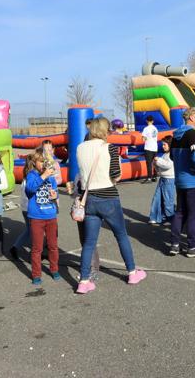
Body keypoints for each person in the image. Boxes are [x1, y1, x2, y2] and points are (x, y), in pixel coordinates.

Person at [75, 117, 146, 294]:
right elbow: (116, 175)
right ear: (105, 130)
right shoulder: (110, 148)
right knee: (121, 235)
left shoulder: (80, 148)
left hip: (89, 198)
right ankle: (131, 272)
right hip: (108, 196)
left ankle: (84, 281)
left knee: (89, 243)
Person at [169, 107, 195, 258]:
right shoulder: (192, 134)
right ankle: (192, 247)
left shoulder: (176, 135)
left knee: (180, 213)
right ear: (192, 117)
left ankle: (174, 244)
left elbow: (172, 156)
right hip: (193, 181)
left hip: (180, 180)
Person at [25, 148, 60, 284]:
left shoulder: (51, 177)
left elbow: (55, 191)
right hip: (37, 217)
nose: (44, 164)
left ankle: (54, 269)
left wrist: (54, 195)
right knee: (37, 248)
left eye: (45, 161)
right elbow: (30, 189)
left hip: (51, 215)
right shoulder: (32, 175)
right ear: (35, 162)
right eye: (41, 162)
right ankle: (36, 274)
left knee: (53, 245)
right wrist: (44, 175)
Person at [10, 154, 34, 260]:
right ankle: (36, 252)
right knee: (34, 231)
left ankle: (15, 247)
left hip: (24, 208)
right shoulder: (31, 179)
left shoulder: (25, 178)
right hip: (30, 209)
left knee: (29, 230)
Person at [148, 136, 175, 225]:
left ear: (170, 145)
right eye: (162, 144)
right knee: (157, 198)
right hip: (163, 179)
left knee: (167, 201)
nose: (163, 146)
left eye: (164, 144)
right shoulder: (164, 155)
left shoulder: (172, 154)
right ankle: (154, 217)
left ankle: (171, 218)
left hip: (169, 180)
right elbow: (160, 168)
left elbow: (168, 165)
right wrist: (155, 164)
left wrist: (158, 160)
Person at [141, 115, 159, 183]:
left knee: (149, 163)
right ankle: (155, 176)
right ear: (153, 121)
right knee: (154, 163)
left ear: (146, 121)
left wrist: (143, 138)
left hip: (148, 147)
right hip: (155, 147)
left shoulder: (146, 128)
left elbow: (143, 139)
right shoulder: (155, 129)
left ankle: (149, 178)